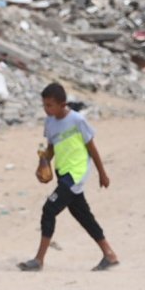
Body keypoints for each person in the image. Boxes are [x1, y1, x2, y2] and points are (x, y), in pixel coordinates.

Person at [17, 82, 120, 272]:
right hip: (62, 173)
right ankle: (109, 254)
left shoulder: (77, 120)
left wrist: (102, 174)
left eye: (50, 105)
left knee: (49, 209)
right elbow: (50, 148)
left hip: (76, 173)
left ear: (62, 104)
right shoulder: (49, 123)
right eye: (44, 105)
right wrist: (43, 164)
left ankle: (39, 260)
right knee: (82, 214)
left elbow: (92, 149)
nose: (46, 109)